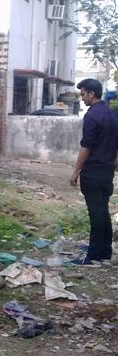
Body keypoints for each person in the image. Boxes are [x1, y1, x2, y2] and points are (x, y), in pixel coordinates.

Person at [70, 78, 118, 264]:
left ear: (91, 93)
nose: (82, 98)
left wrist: (76, 171)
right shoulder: (113, 115)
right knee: (102, 211)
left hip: (93, 172)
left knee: (96, 214)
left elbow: (86, 147)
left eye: (83, 94)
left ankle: (94, 256)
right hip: (107, 172)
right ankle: (105, 252)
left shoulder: (92, 116)